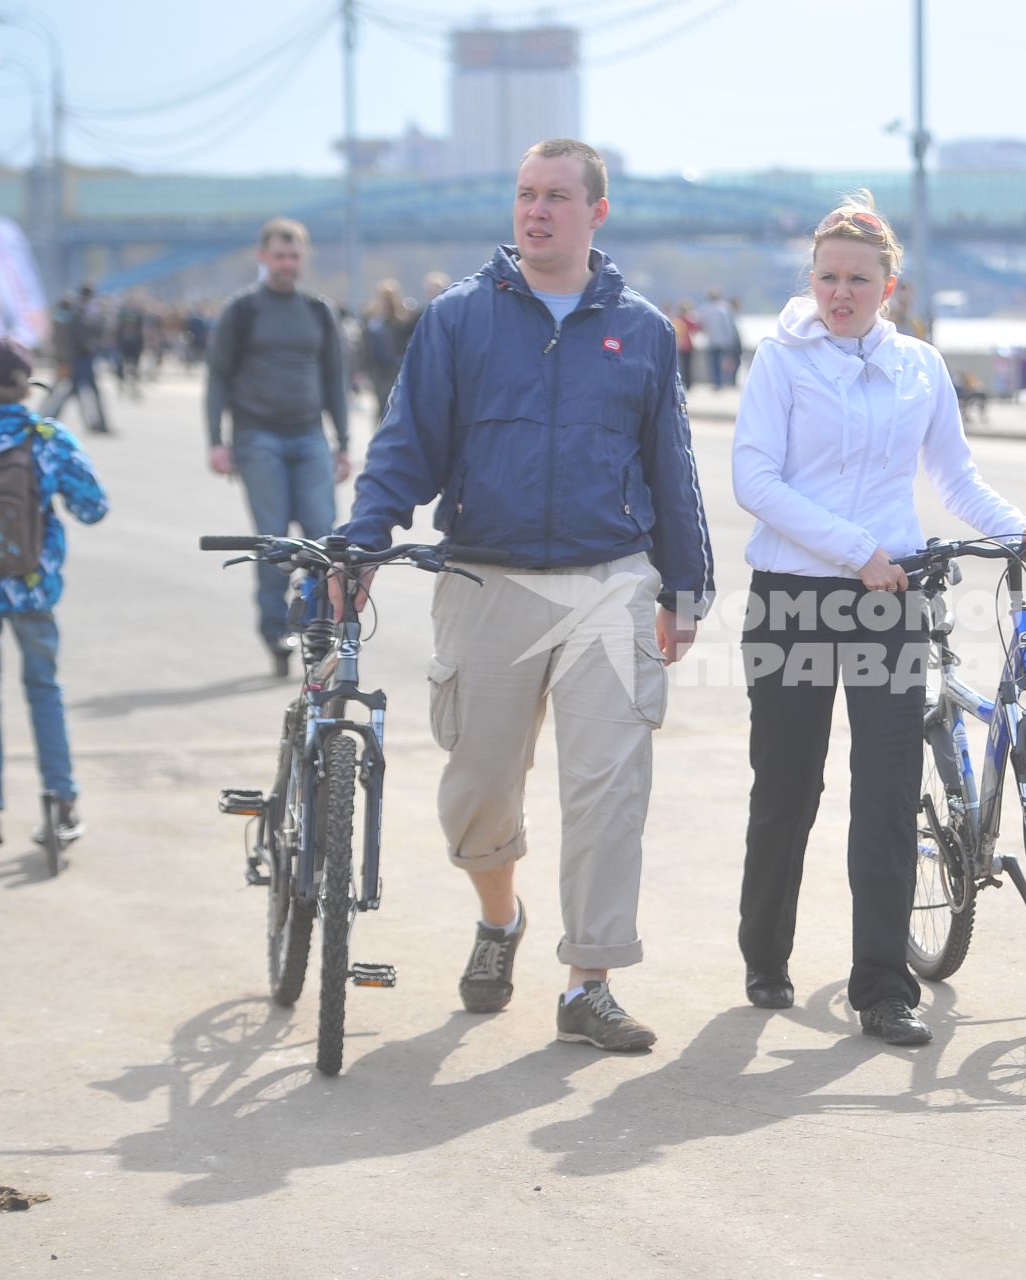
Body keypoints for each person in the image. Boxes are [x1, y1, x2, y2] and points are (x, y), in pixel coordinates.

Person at [342, 137, 714, 1053]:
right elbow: (406, 443)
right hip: (488, 578)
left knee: (607, 790)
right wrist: (364, 536)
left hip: (611, 581)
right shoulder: (459, 318)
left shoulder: (645, 330)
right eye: (524, 195)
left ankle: (589, 983)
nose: (536, 210)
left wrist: (687, 581)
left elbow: (671, 464)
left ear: (596, 212)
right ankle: (499, 921)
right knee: (478, 787)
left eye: (555, 196)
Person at [731, 193, 1026, 1047]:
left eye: (858, 279)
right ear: (812, 279)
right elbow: (755, 480)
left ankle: (882, 986)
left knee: (886, 793)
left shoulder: (921, 366)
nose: (841, 293)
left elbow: (954, 475)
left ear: (890, 284)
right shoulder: (780, 360)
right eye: (828, 277)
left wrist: (1017, 529)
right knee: (789, 789)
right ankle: (765, 950)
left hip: (891, 603)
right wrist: (855, 550)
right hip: (794, 598)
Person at [0, 335, 109, 855]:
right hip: (32, 586)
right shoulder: (46, 437)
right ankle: (60, 801)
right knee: (43, 688)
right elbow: (94, 506)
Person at [204, 218, 353, 676]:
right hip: (257, 436)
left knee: (321, 539)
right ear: (263, 257)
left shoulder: (317, 310)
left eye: (294, 256)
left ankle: (316, 626)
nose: (287, 264)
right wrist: (215, 440)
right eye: (279, 256)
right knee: (273, 544)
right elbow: (218, 377)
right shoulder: (243, 310)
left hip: (309, 435)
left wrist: (343, 442)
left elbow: (334, 378)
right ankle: (274, 632)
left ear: (303, 258)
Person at [41, 284, 111, 436]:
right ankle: (99, 424)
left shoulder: (73, 311)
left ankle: (47, 421)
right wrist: (91, 347)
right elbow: (78, 338)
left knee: (72, 392)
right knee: (82, 391)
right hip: (80, 359)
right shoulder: (79, 312)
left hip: (75, 358)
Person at [360, 279, 411, 429]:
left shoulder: (399, 320)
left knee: (393, 402)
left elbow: (403, 343)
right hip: (377, 368)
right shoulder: (371, 319)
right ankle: (380, 434)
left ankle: (387, 432)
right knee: (382, 401)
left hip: (394, 367)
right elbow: (365, 345)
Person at [697, 289, 738, 389]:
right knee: (724, 362)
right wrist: (730, 339)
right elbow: (729, 326)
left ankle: (717, 382)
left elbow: (701, 325)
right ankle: (723, 381)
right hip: (723, 340)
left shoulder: (705, 309)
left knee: (714, 363)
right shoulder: (724, 308)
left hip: (711, 340)